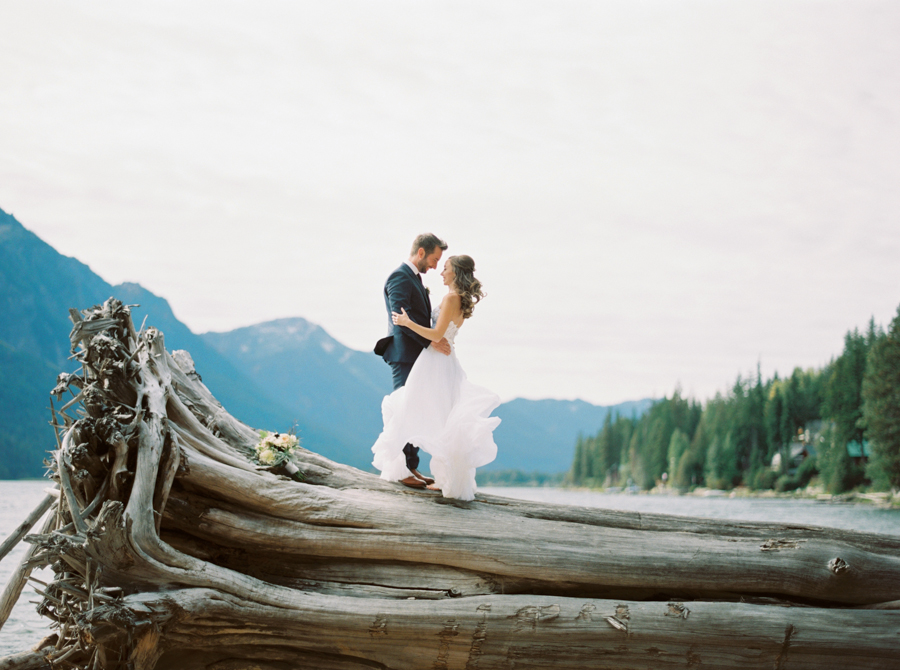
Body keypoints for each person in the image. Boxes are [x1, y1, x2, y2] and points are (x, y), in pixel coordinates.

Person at [372, 254, 500, 501]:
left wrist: (407, 322)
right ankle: (439, 476)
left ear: (456, 273)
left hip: (435, 362)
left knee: (419, 411)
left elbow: (437, 333)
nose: (441, 272)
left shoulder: (451, 298)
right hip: (443, 360)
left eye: (446, 268)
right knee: (439, 417)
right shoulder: (458, 299)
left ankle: (425, 473)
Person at [374, 233, 452, 489]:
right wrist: (430, 342)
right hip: (406, 355)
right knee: (404, 409)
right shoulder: (399, 277)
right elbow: (400, 317)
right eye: (433, 259)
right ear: (420, 252)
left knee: (415, 409)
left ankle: (411, 466)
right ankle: (400, 470)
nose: (435, 266)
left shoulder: (414, 279)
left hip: (417, 356)